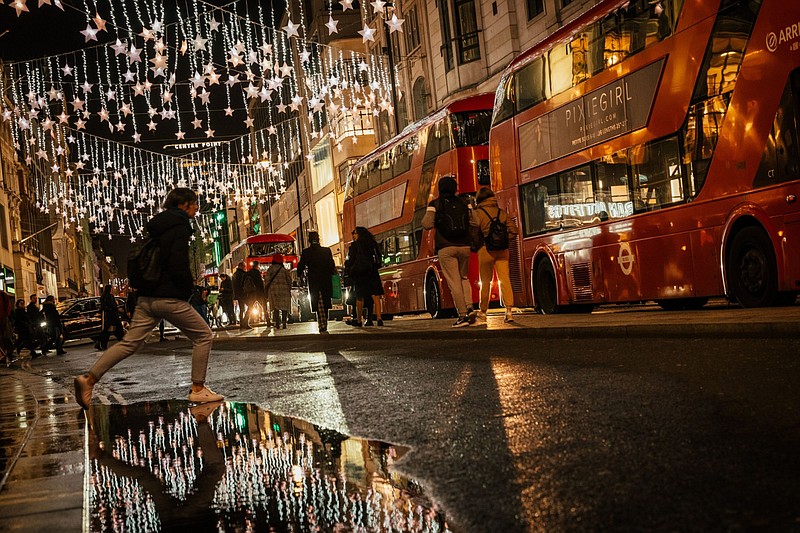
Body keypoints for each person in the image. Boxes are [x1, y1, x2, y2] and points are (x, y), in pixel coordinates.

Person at [74, 187, 223, 410]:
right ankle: (198, 389)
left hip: (146, 297)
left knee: (129, 343)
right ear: (182, 205)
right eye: (193, 203)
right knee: (203, 336)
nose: (196, 208)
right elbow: (177, 263)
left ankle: (89, 380)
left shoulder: (157, 227)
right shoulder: (180, 226)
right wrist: (186, 290)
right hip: (169, 297)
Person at [422, 175, 480, 327]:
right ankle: (469, 307)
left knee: (454, 282)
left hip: (446, 247)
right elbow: (476, 222)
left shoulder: (435, 204)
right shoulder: (464, 202)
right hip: (465, 246)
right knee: (463, 278)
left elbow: (427, 224)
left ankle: (462, 316)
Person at [474, 187, 519, 323]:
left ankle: (483, 311)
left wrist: (479, 244)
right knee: (505, 279)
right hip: (503, 250)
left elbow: (473, 231)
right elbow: (514, 230)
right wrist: (503, 239)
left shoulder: (478, 213)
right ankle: (509, 311)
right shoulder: (501, 213)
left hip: (485, 249)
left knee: (485, 281)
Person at [296, 231, 336, 333]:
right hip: (325, 279)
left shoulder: (307, 252)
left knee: (318, 302)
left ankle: (321, 323)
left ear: (309, 240)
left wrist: (298, 275)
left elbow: (301, 266)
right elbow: (331, 265)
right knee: (325, 301)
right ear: (318, 239)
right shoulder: (326, 251)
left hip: (314, 280)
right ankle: (324, 323)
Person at [344, 227, 384, 327]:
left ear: (360, 234)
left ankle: (358, 320)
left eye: (355, 233)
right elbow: (378, 257)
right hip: (372, 271)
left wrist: (349, 269)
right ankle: (379, 319)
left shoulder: (355, 246)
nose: (354, 235)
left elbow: (351, 259)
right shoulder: (372, 244)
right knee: (375, 295)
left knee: (359, 296)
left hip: (360, 273)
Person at [264, 254, 292, 329]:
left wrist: (266, 289)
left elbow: (267, 281)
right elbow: (289, 280)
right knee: (284, 307)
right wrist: (289, 288)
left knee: (276, 307)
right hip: (284, 290)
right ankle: (284, 322)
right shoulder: (284, 270)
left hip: (274, 291)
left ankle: (277, 323)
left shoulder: (270, 269)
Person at [95, 285, 124, 351]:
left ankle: (102, 344)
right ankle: (122, 342)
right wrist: (117, 309)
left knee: (108, 330)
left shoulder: (104, 296)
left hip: (109, 315)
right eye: (112, 288)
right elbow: (111, 305)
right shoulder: (109, 297)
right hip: (112, 315)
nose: (112, 290)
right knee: (115, 329)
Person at [243, 262, 267, 327]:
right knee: (264, 307)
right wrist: (263, 292)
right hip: (258, 293)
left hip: (251, 293)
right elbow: (260, 283)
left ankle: (245, 321)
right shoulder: (257, 272)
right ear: (257, 266)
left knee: (250, 307)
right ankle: (268, 320)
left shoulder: (248, 272)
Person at [232, 262, 248, 328]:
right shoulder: (242, 274)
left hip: (237, 294)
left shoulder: (235, 274)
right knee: (250, 306)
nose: (245, 267)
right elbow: (243, 284)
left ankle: (242, 323)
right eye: (244, 266)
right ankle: (245, 322)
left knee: (242, 309)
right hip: (243, 293)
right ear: (242, 266)